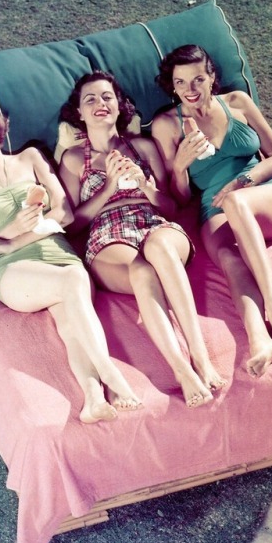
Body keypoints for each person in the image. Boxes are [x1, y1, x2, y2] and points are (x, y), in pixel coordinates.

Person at [0, 92, 141, 424]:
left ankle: (93, 401)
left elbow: (63, 212)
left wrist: (19, 235)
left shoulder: (30, 158)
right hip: (15, 270)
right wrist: (3, 239)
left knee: (70, 322)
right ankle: (110, 372)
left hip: (58, 254)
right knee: (71, 282)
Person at [59, 71, 225, 408]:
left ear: (119, 107)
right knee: (141, 270)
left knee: (159, 246)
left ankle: (201, 357)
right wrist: (108, 186)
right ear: (79, 113)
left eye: (107, 97)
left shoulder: (144, 147)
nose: (99, 104)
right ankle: (182, 370)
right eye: (89, 99)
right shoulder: (74, 159)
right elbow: (73, 225)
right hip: (108, 236)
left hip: (154, 223)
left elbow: (172, 205)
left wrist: (146, 185)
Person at [152, 45, 272, 378]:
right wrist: (179, 166)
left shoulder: (237, 103)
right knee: (229, 259)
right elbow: (178, 197)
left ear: (212, 77)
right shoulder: (168, 126)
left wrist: (244, 181)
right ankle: (260, 340)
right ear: (172, 85)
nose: (190, 90)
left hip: (265, 195)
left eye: (198, 79)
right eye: (180, 83)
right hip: (213, 208)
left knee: (235, 201)